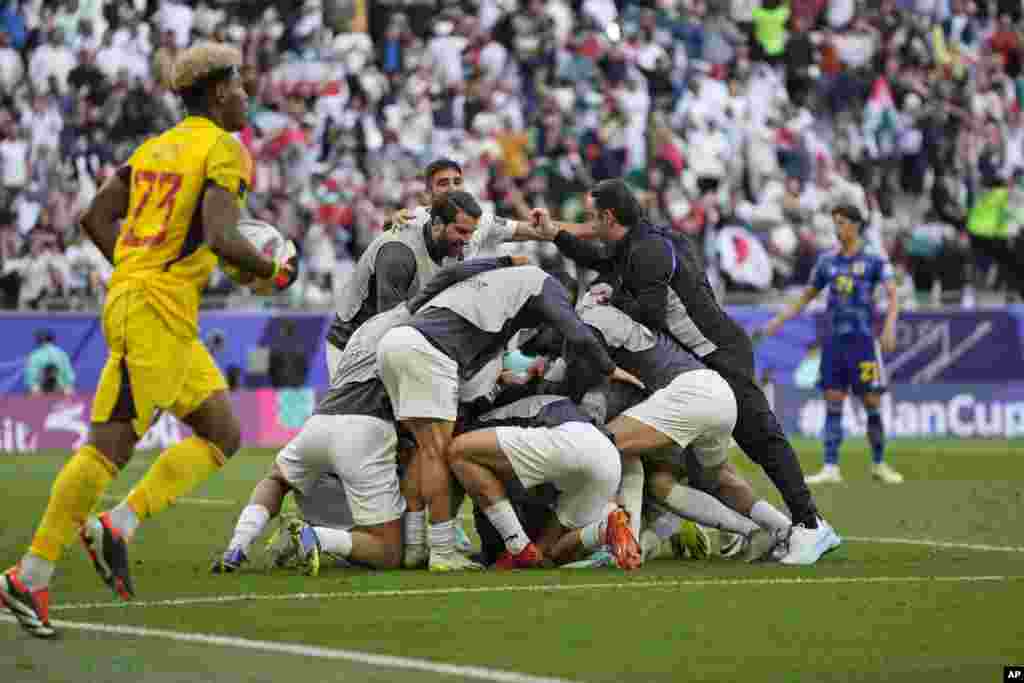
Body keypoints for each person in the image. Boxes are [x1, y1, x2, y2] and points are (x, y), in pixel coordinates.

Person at [1, 42, 298, 639]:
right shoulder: (224, 148)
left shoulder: (157, 147)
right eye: (239, 86)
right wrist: (273, 271)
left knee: (224, 432)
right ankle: (27, 575)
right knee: (107, 447)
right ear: (217, 92)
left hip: (154, 308)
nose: (246, 96)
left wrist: (137, 269)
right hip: (155, 312)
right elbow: (220, 235)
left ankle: (120, 524)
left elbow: (94, 218)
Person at [535, 178, 837, 565]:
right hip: (704, 359)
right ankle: (773, 527)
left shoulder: (648, 251)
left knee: (763, 441)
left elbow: (650, 313)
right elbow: (595, 257)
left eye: (594, 219)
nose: (591, 227)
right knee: (706, 470)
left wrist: (610, 299)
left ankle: (810, 525)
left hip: (718, 354)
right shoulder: (641, 242)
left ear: (609, 217)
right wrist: (556, 234)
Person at [213, 255, 528, 573]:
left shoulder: (368, 326)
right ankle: (317, 537)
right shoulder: (419, 328)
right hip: (364, 431)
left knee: (276, 479)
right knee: (386, 552)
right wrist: (503, 263)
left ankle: (237, 545)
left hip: (319, 422)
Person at [376, 229, 645, 572]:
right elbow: (575, 332)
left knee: (446, 451)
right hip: (600, 459)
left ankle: (433, 546)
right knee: (442, 453)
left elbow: (451, 274)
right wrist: (610, 369)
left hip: (403, 342)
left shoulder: (490, 308)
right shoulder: (540, 288)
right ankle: (602, 529)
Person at [571, 286, 794, 564]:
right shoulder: (639, 325)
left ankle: (626, 545)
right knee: (692, 481)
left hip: (687, 395)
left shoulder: (593, 321)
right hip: (716, 393)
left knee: (603, 445)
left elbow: (581, 359)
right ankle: (780, 529)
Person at [761, 204, 903, 485]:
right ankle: (830, 467)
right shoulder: (827, 262)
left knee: (871, 402)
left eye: (841, 223)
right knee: (832, 402)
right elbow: (805, 297)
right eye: (834, 223)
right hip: (834, 343)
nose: (837, 229)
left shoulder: (875, 258)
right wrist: (778, 320)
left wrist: (889, 325)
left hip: (863, 343)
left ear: (855, 225)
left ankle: (878, 463)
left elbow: (892, 293)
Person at [447, 389, 639, 570]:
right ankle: (604, 529)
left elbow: (489, 490)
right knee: (546, 554)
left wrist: (493, 550)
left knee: (458, 451)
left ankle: (518, 546)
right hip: (606, 456)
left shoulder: (481, 423)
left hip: (569, 443)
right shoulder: (549, 401)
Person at [24, 329, 76, 395]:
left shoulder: (34, 356)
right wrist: (68, 389)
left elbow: (30, 379)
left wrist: (36, 390)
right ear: (52, 340)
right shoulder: (62, 354)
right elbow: (69, 376)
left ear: (39, 340)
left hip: (41, 394)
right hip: (61, 392)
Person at [268, 319, 308, 388]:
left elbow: (303, 368)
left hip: (287, 384)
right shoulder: (300, 347)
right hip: (287, 384)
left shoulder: (298, 348)